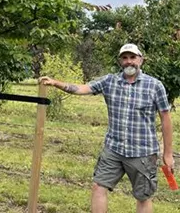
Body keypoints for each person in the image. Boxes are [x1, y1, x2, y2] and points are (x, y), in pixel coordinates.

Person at [39, 43, 174, 213]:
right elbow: (82, 88)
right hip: (114, 149)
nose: (128, 61)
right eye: (124, 58)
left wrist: (167, 154)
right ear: (120, 61)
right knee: (98, 187)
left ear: (141, 60)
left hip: (143, 153)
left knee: (143, 197)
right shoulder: (110, 81)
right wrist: (55, 83)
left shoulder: (154, 86)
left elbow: (166, 119)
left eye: (132, 57)